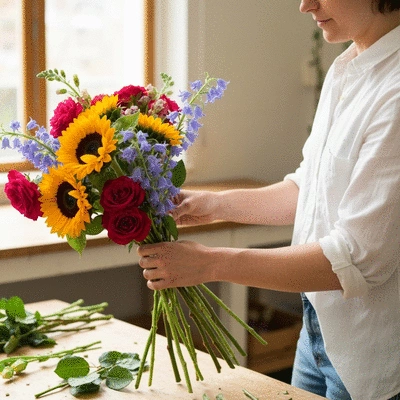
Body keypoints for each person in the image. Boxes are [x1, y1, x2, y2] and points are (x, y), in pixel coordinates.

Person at [138, 0, 400, 398]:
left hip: (369, 352)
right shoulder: (348, 67)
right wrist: (211, 205)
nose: (304, 5)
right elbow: (308, 189)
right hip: (318, 329)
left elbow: (355, 259)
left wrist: (210, 263)